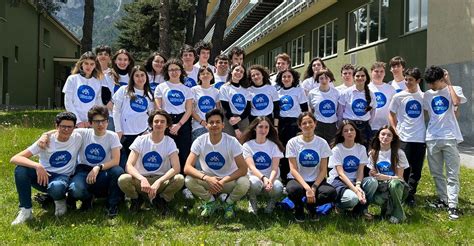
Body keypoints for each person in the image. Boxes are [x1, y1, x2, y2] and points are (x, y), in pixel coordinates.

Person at [10, 112, 82, 225]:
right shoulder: (45, 141)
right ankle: (26, 210)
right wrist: (37, 166)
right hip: (42, 176)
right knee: (21, 170)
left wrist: (45, 133)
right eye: (63, 126)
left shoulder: (77, 137)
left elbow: (98, 131)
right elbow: (15, 158)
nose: (67, 130)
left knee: (56, 187)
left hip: (62, 178)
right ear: (56, 126)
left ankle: (60, 200)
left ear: (74, 127)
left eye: (70, 127)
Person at [184, 109, 250, 219]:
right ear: (206, 125)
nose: (214, 125)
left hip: (228, 181)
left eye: (218, 122)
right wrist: (207, 178)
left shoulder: (232, 141)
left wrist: (223, 180)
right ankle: (210, 201)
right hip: (209, 181)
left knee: (244, 182)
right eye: (211, 122)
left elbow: (243, 169)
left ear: (223, 125)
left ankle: (229, 204)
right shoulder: (200, 141)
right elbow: (187, 167)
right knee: (188, 180)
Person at [118, 110, 184, 213]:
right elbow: (129, 165)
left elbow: (176, 168)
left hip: (160, 181)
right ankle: (136, 199)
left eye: (162, 122)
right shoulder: (140, 140)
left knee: (179, 179)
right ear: (151, 124)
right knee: (123, 179)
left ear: (167, 125)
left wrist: (159, 181)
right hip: (141, 181)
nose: (159, 124)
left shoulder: (170, 142)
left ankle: (162, 200)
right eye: (156, 121)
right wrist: (142, 179)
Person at [423, 66, 467, 220]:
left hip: (449, 136)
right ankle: (443, 199)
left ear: (441, 79)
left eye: (433, 83)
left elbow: (456, 103)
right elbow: (427, 112)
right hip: (432, 137)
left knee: (452, 173)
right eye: (428, 83)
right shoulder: (428, 95)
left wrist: (449, 83)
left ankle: (453, 206)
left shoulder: (454, 89)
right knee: (436, 172)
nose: (430, 86)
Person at [285, 112, 337, 222]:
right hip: (298, 180)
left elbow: (323, 170)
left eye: (310, 122)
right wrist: (307, 188)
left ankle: (311, 206)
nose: (307, 125)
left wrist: (313, 187)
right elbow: (293, 170)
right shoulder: (292, 143)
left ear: (315, 124)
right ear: (299, 126)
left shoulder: (322, 143)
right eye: (304, 123)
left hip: (316, 180)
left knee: (331, 193)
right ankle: (299, 207)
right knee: (293, 190)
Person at [388, 67, 425, 206]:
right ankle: (398, 192)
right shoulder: (399, 96)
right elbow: (391, 113)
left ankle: (410, 195)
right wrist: (395, 129)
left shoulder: (423, 97)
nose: (408, 82)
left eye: (411, 80)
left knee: (416, 170)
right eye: (406, 79)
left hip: (420, 137)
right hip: (404, 137)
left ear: (418, 81)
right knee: (403, 167)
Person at [327, 120, 376, 218]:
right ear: (341, 134)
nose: (349, 132)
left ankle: (360, 210)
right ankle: (339, 206)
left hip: (355, 180)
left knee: (372, 182)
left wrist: (358, 185)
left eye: (351, 130)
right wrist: (356, 191)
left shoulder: (361, 148)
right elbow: (340, 174)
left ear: (356, 132)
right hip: (339, 181)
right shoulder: (336, 149)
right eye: (345, 131)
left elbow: (360, 170)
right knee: (352, 199)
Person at [363, 125, 409, 224]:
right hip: (381, 187)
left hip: (398, 187)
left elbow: (400, 178)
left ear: (393, 138)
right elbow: (373, 173)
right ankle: (388, 209)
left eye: (389, 135)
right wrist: (373, 173)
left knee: (394, 184)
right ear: (378, 136)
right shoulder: (373, 153)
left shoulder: (399, 153)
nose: (385, 137)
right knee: (377, 199)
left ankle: (399, 214)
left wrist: (386, 177)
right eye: (383, 134)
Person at [154, 59, 193, 171]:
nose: (174, 72)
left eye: (176, 69)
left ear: (181, 71)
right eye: (171, 70)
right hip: (166, 120)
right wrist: (168, 124)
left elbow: (189, 110)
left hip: (183, 122)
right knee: (166, 150)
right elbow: (158, 108)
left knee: (184, 151)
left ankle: (184, 181)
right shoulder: (161, 87)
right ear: (167, 71)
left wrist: (179, 125)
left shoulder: (187, 90)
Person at [113, 65, 155, 168]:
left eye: (142, 75)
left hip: (141, 134)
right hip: (124, 134)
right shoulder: (124, 90)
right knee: (123, 165)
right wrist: (118, 130)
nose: (140, 78)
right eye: (137, 76)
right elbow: (116, 110)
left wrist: (149, 130)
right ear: (132, 78)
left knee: (138, 165)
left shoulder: (149, 95)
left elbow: (151, 115)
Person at [241, 117, 284, 214]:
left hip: (271, 178)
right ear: (255, 128)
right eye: (260, 127)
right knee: (253, 183)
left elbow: (275, 168)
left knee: (278, 187)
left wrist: (270, 181)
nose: (263, 130)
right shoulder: (247, 145)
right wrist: (263, 178)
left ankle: (272, 202)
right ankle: (252, 201)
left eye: (266, 127)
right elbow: (251, 167)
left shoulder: (274, 145)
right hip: (255, 178)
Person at [275, 68, 308, 184]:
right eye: (284, 77)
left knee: (294, 149)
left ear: (293, 78)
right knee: (282, 149)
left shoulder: (298, 91)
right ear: (280, 79)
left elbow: (304, 110)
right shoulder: (278, 92)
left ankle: (294, 174)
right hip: (281, 123)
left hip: (294, 123)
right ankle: (284, 176)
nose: (286, 79)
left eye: (289, 76)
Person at [62, 51, 103, 128]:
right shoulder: (72, 79)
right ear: (81, 64)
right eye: (86, 63)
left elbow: (98, 104)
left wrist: (91, 121)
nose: (89, 66)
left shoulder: (97, 82)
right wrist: (78, 121)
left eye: (92, 64)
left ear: (95, 65)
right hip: (74, 122)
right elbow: (68, 102)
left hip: (90, 124)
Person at [338, 66, 376, 148]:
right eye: (357, 76)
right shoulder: (346, 93)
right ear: (354, 77)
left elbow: (373, 112)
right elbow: (340, 112)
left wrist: (366, 123)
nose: (360, 78)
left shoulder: (371, 94)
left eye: (363, 76)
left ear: (366, 78)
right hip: (349, 127)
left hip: (364, 128)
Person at [219, 64, 251, 140]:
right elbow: (226, 109)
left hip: (243, 120)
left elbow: (248, 109)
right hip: (229, 120)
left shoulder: (246, 90)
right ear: (231, 72)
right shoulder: (225, 88)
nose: (239, 73)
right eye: (237, 70)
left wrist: (240, 118)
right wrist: (236, 128)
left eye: (241, 72)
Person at [308, 69, 339, 144]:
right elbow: (311, 110)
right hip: (318, 125)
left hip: (332, 126)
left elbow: (338, 109)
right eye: (321, 78)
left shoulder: (336, 93)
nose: (324, 80)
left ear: (330, 79)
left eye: (326, 78)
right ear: (318, 79)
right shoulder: (312, 93)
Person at [191, 66, 220, 141]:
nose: (205, 75)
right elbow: (191, 110)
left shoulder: (216, 91)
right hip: (198, 126)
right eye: (203, 74)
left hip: (213, 126)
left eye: (208, 73)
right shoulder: (194, 90)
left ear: (212, 76)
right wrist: (201, 122)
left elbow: (218, 109)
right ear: (199, 77)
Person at [369, 62, 396, 135]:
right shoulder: (366, 88)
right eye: (376, 71)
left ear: (384, 73)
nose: (379, 74)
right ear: (371, 72)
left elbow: (394, 109)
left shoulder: (391, 89)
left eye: (381, 71)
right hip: (370, 127)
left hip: (386, 128)